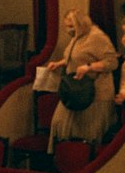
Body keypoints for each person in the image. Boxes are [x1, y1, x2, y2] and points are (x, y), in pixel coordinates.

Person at [45, 9, 119, 150]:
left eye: (72, 26)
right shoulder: (77, 36)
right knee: (59, 123)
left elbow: (112, 62)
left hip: (94, 93)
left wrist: (89, 67)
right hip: (74, 91)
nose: (69, 30)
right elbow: (74, 56)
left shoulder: (97, 37)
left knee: (87, 133)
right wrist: (60, 63)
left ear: (81, 24)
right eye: (67, 26)